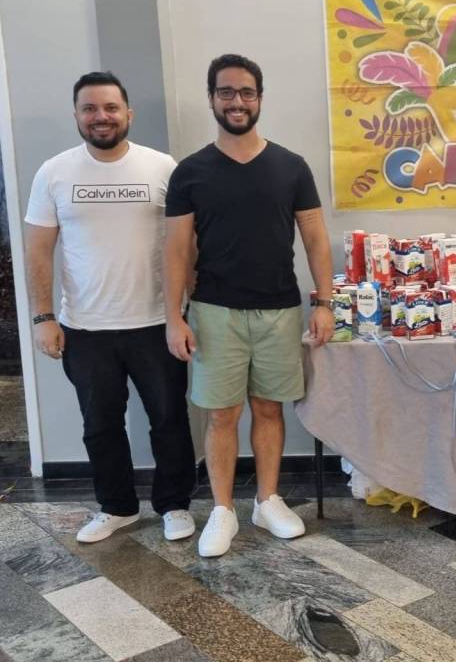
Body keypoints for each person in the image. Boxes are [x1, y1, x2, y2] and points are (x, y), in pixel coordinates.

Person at [164, 54, 334, 557]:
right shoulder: (190, 172)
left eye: (246, 92)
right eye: (226, 92)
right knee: (221, 415)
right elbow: (176, 250)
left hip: (279, 310)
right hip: (213, 312)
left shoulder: (291, 167)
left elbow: (315, 238)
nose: (236, 101)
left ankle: (266, 500)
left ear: (259, 98)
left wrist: (324, 302)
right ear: (211, 98)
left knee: (269, 408)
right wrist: (174, 316)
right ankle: (222, 510)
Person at [25, 71, 197, 544]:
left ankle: (175, 505)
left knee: (169, 420)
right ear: (77, 115)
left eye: (110, 107)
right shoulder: (54, 172)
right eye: (89, 108)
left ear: (128, 113)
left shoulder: (162, 167)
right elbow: (38, 249)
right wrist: (43, 318)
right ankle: (116, 507)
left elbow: (187, 244)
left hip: (157, 323)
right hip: (85, 327)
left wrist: (190, 310)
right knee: (100, 425)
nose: (100, 116)